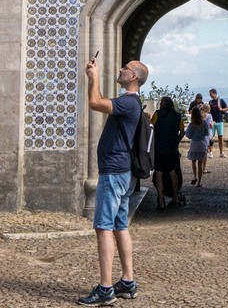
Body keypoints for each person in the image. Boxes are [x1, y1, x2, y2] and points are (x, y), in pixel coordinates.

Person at [78, 57, 149, 306]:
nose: (121, 69)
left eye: (125, 68)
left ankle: (106, 288)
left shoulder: (128, 102)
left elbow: (95, 102)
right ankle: (127, 282)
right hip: (122, 172)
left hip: (114, 172)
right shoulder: (131, 102)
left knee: (104, 227)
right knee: (120, 225)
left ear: (134, 77)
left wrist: (94, 77)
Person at [151, 96, 185, 209]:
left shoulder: (157, 114)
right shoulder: (178, 116)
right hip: (172, 149)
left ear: (164, 104)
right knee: (172, 172)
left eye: (161, 103)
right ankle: (175, 197)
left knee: (159, 173)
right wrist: (176, 142)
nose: (160, 104)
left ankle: (161, 200)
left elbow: (151, 128)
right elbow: (182, 132)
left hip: (159, 148)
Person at [184, 104, 209, 186]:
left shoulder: (191, 124)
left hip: (194, 144)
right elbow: (207, 133)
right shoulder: (204, 123)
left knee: (193, 162)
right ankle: (199, 182)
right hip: (202, 144)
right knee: (200, 164)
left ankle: (195, 177)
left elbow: (188, 135)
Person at [208, 88, 228, 158]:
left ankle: (221, 152)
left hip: (219, 121)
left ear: (214, 93)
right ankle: (210, 152)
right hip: (212, 122)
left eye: (211, 94)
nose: (210, 95)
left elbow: (227, 108)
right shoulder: (210, 102)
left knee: (220, 137)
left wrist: (222, 109)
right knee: (211, 137)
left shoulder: (221, 101)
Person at [200, 102, 214, 174]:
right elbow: (210, 125)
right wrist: (213, 123)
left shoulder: (200, 115)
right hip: (207, 134)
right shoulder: (209, 116)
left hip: (200, 134)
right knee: (205, 152)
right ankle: (204, 169)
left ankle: (199, 167)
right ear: (207, 109)